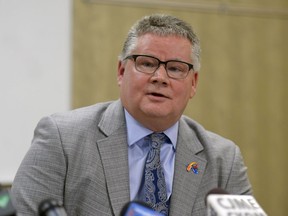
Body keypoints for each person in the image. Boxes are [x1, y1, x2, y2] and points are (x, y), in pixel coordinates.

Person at [11, 14, 252, 216]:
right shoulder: (62, 138)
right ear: (121, 71)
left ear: (194, 83)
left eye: (175, 68)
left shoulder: (224, 159)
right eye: (147, 64)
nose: (160, 77)